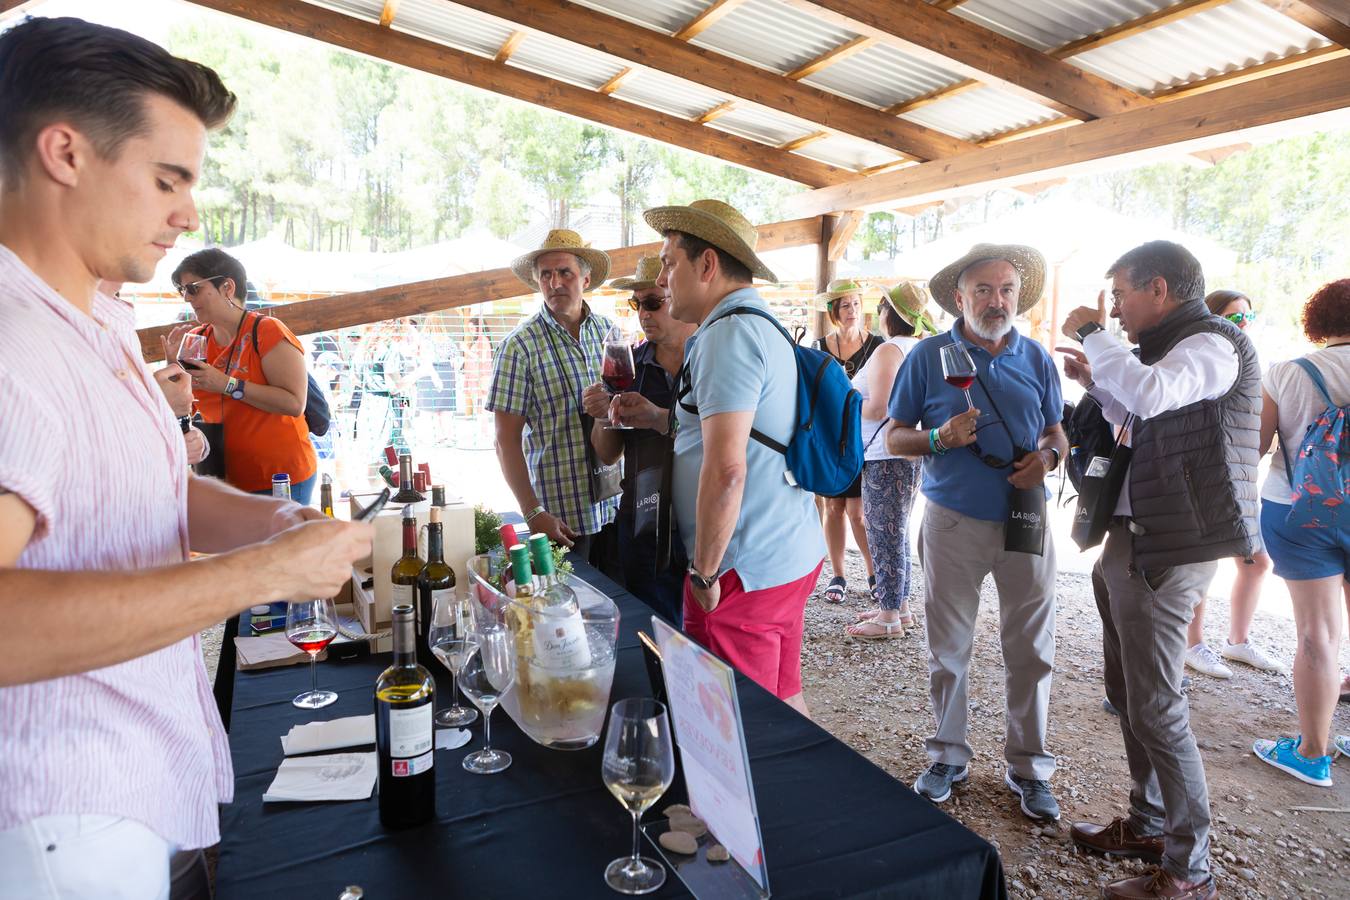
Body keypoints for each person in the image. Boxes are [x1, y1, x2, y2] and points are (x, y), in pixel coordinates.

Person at [0, 17, 372, 900]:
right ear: (65, 152)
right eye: (168, 180)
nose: (189, 215)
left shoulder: (95, 319)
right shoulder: (13, 341)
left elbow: (146, 492)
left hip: (119, 780)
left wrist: (279, 521)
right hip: (57, 811)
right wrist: (259, 574)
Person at [1061, 240, 1260, 900]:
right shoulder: (1172, 348)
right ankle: (1149, 824)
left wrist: (1091, 335)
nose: (1113, 310)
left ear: (1159, 290)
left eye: (1120, 295)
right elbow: (1141, 419)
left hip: (1168, 547)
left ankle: (1187, 871)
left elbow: (1150, 397)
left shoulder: (1213, 344)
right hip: (1135, 537)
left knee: (1156, 704)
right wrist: (1099, 386)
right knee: (1129, 694)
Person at [886, 243, 1066, 822]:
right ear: (959, 298)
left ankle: (1029, 767)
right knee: (949, 646)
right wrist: (940, 439)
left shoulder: (1036, 357)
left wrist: (1049, 458)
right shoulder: (929, 356)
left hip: (1026, 516)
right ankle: (947, 756)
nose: (997, 300)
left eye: (1007, 289)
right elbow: (894, 438)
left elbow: (1059, 435)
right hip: (953, 521)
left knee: (1032, 648)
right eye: (983, 290)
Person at [646, 199, 825, 715]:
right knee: (784, 704)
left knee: (732, 725)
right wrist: (660, 419)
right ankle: (793, 794)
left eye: (668, 261)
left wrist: (704, 574)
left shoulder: (727, 334)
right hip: (782, 551)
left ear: (706, 265)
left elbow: (726, 468)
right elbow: (735, 433)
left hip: (739, 568)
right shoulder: (759, 323)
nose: (661, 278)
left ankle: (751, 800)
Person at [1250, 279, 1350, 786]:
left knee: (1318, 633)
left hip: (1297, 510)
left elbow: (1259, 446)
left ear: (1321, 319)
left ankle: (1312, 752)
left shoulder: (1285, 373)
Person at [487, 230, 617, 559]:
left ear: (585, 279)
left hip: (615, 507)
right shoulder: (518, 347)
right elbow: (505, 441)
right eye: (546, 274)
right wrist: (533, 512)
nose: (555, 282)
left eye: (565, 272)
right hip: (561, 519)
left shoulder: (610, 334)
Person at [582, 256, 696, 625]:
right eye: (637, 304)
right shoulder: (627, 364)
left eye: (652, 302)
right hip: (645, 521)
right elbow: (607, 452)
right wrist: (603, 413)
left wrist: (659, 418)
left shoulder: (711, 358)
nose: (643, 314)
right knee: (656, 636)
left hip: (705, 520)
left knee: (707, 643)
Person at [164, 248, 319, 504]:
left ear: (227, 287)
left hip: (280, 477)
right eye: (182, 290)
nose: (186, 298)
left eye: (193, 288)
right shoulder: (198, 339)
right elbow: (188, 409)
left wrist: (227, 384)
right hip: (224, 479)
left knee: (284, 545)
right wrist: (173, 372)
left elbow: (293, 403)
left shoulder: (267, 331)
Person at [1183, 289, 1283, 677]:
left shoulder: (1250, 363)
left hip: (1241, 479)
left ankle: (1237, 641)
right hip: (1210, 477)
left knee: (1256, 562)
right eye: (1235, 318)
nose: (1243, 327)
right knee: (1203, 563)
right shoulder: (1204, 360)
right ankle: (1194, 644)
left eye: (1248, 319)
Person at [847, 282, 936, 639]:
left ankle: (888, 617)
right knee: (896, 531)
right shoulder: (917, 347)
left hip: (885, 454)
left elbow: (880, 406)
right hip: (905, 454)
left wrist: (847, 400)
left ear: (887, 313)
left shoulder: (889, 350)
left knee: (884, 532)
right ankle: (899, 605)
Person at [813, 279, 883, 603]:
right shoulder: (819, 347)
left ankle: (874, 573)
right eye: (845, 305)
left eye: (856, 303)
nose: (852, 310)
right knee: (833, 507)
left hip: (865, 437)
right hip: (831, 436)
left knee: (859, 512)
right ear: (834, 311)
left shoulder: (878, 345)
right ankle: (838, 574)